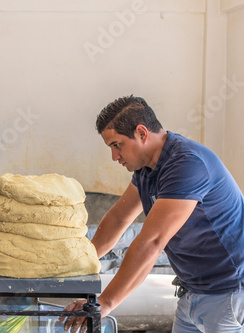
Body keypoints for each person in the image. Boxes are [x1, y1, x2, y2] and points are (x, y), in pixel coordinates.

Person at [60, 95, 244, 333]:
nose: (114, 156)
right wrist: (81, 266)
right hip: (192, 291)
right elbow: (118, 218)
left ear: (142, 133)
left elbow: (153, 242)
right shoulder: (146, 170)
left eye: (117, 145)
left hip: (227, 293)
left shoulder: (187, 164)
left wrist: (104, 303)